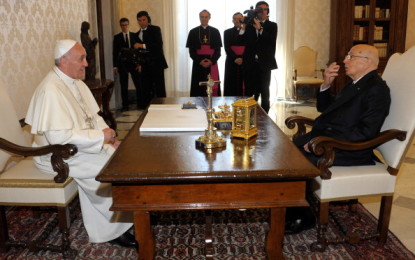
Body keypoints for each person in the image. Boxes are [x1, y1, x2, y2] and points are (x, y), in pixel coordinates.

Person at [25, 39, 138, 248]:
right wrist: (99, 138)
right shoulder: (51, 89)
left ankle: (121, 220)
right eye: (81, 59)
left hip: (76, 147)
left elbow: (93, 117)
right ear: (63, 60)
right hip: (54, 154)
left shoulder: (75, 82)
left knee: (120, 159)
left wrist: (110, 139)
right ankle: (116, 229)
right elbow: (58, 139)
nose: (86, 64)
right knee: (107, 171)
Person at [286, 44, 391, 234]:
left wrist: (323, 142)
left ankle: (303, 216)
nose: (345, 60)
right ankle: (292, 205)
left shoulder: (377, 90)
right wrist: (326, 83)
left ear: (366, 61)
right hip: (329, 140)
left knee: (296, 162)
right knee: (286, 151)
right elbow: (326, 109)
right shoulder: (356, 83)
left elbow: (366, 133)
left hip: (350, 149)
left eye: (350, 56)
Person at [243, 1, 277, 113]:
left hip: (265, 64)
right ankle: (250, 114)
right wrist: (243, 27)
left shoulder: (272, 25)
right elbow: (244, 41)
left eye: (264, 9)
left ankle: (265, 117)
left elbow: (271, 41)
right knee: (250, 91)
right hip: (251, 64)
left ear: (268, 11)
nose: (261, 11)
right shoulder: (250, 26)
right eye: (259, 9)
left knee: (264, 92)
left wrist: (260, 29)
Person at [133, 11, 168, 109]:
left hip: (157, 63)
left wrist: (142, 45)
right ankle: (148, 109)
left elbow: (158, 45)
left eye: (144, 20)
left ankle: (163, 108)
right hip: (144, 65)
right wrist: (139, 64)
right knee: (146, 88)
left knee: (159, 88)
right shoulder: (136, 35)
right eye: (139, 20)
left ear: (148, 19)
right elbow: (138, 52)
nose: (142, 22)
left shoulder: (155, 29)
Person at [186, 10, 222, 97]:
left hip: (212, 63)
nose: (204, 19)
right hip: (198, 64)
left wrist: (211, 61)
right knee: (198, 88)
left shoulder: (215, 31)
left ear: (209, 18)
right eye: (202, 17)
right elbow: (192, 51)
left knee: (212, 86)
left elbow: (218, 51)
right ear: (199, 18)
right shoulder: (193, 32)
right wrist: (200, 61)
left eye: (206, 17)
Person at [112, 18, 138, 111]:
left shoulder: (134, 35)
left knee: (138, 83)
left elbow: (138, 51)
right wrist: (115, 66)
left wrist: (139, 64)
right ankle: (125, 105)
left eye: (126, 24)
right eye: (122, 25)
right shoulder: (117, 37)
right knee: (124, 85)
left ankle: (140, 103)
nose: (124, 27)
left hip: (134, 64)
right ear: (120, 26)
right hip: (122, 64)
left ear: (129, 24)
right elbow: (115, 52)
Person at [224, 12, 246, 96]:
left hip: (245, 61)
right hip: (231, 61)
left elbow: (249, 47)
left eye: (239, 19)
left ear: (242, 20)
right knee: (231, 85)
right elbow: (227, 48)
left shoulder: (248, 31)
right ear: (232, 21)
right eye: (235, 19)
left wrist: (242, 58)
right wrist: (236, 58)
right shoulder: (227, 32)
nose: (237, 21)